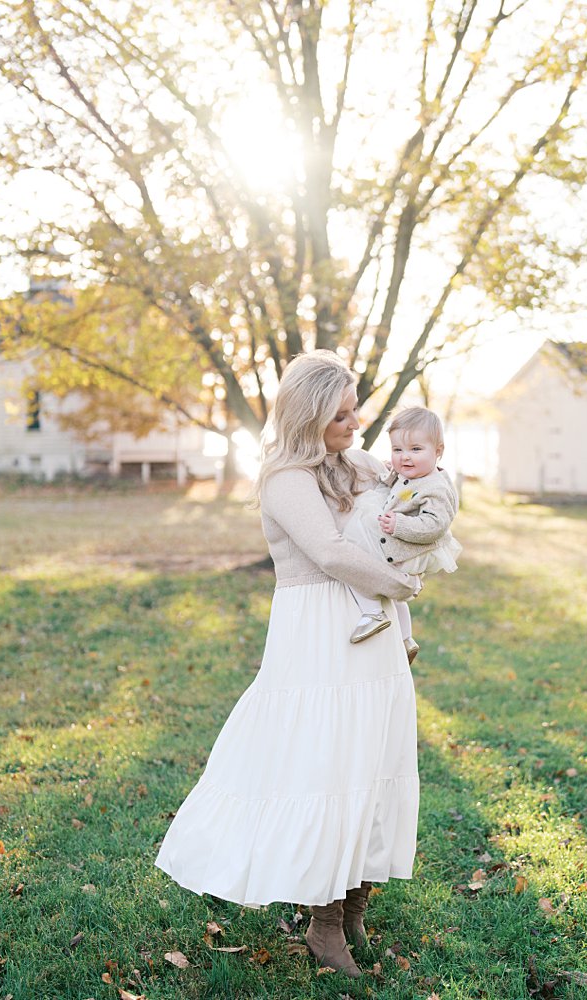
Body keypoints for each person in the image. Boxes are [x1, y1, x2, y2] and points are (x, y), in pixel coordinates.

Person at [155, 350, 422, 979]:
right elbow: (329, 552)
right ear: (308, 416)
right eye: (342, 414)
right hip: (320, 630)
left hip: (372, 623)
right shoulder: (284, 478)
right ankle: (323, 925)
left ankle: (355, 904)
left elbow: (407, 496)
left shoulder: (350, 461)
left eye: (356, 411)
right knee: (331, 764)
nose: (356, 424)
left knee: (375, 758)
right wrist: (399, 584)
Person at [344, 407, 461, 664]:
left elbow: (435, 524)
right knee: (391, 591)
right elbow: (397, 491)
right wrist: (389, 474)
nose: (405, 457)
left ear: (438, 452)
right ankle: (406, 639)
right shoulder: (412, 473)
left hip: (411, 547)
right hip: (403, 543)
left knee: (355, 562)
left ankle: (373, 612)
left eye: (415, 450)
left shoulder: (436, 487)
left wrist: (400, 525)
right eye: (398, 450)